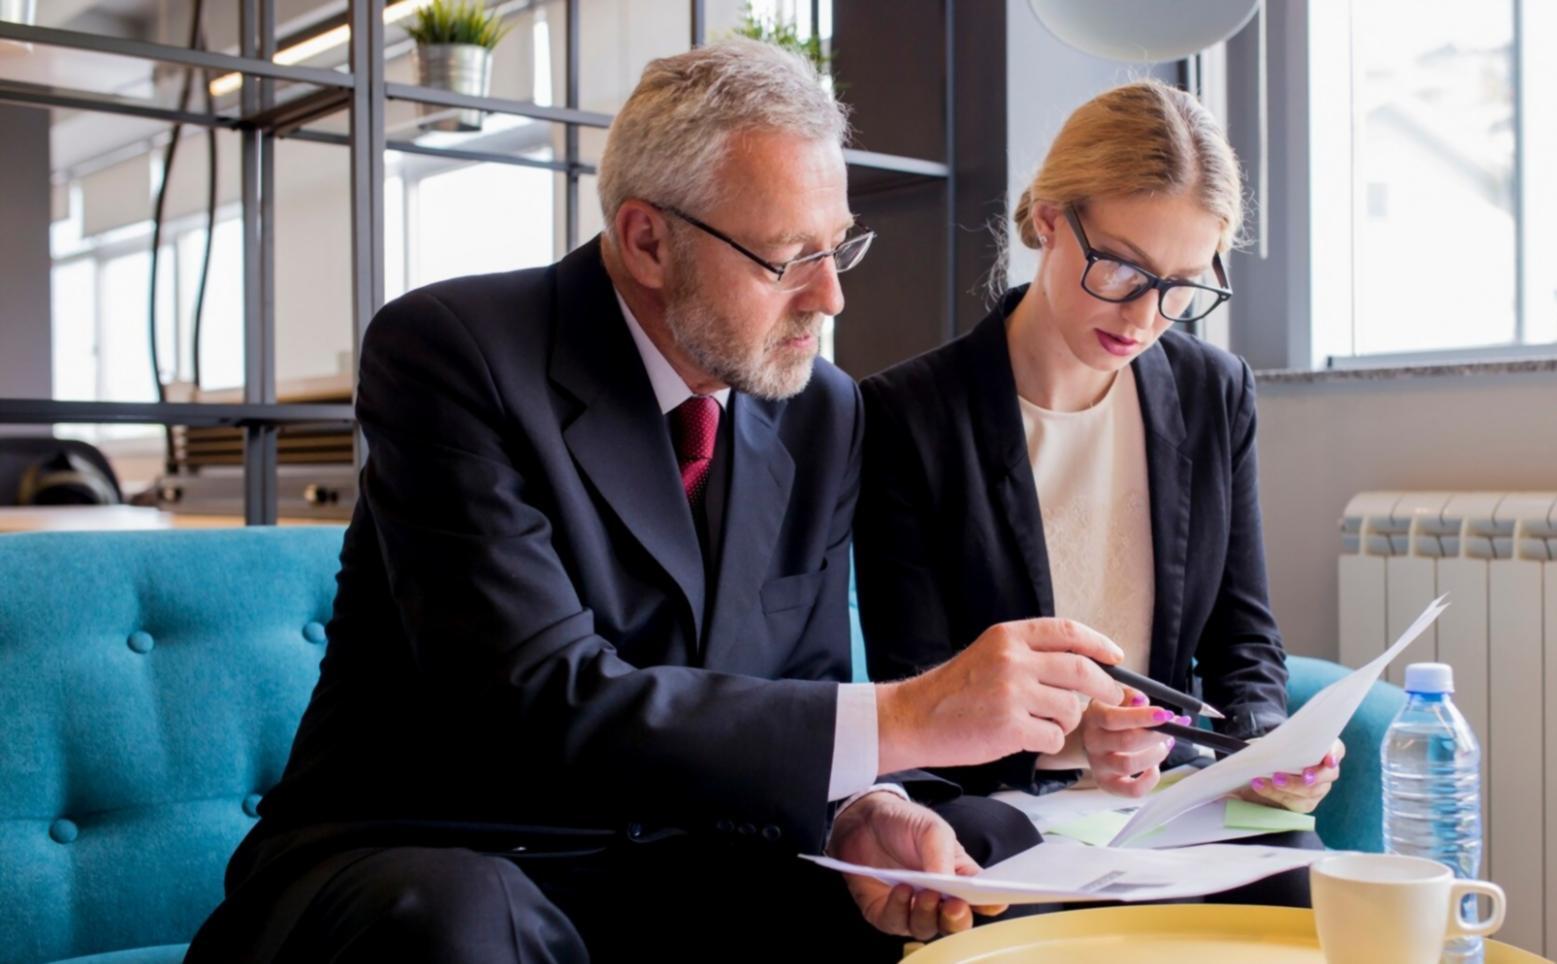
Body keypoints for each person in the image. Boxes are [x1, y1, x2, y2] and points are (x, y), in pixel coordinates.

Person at [185, 39, 1130, 963]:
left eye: (839, 247)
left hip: (685, 860)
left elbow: (796, 688)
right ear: (647, 239)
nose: (831, 298)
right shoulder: (452, 353)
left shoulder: (821, 412)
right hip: (446, 854)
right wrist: (913, 714)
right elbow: (535, 702)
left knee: (976, 850)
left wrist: (863, 809)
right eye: (788, 257)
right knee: (464, 919)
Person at [855, 79, 1340, 908]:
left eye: (1183, 285)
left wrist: (1263, 747)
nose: (1147, 317)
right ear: (1048, 218)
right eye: (1122, 267)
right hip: (1000, 803)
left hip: (1166, 800)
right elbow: (918, 687)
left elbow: (1245, 640)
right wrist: (1073, 738)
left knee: (1299, 882)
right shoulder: (910, 415)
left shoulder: (1212, 392)